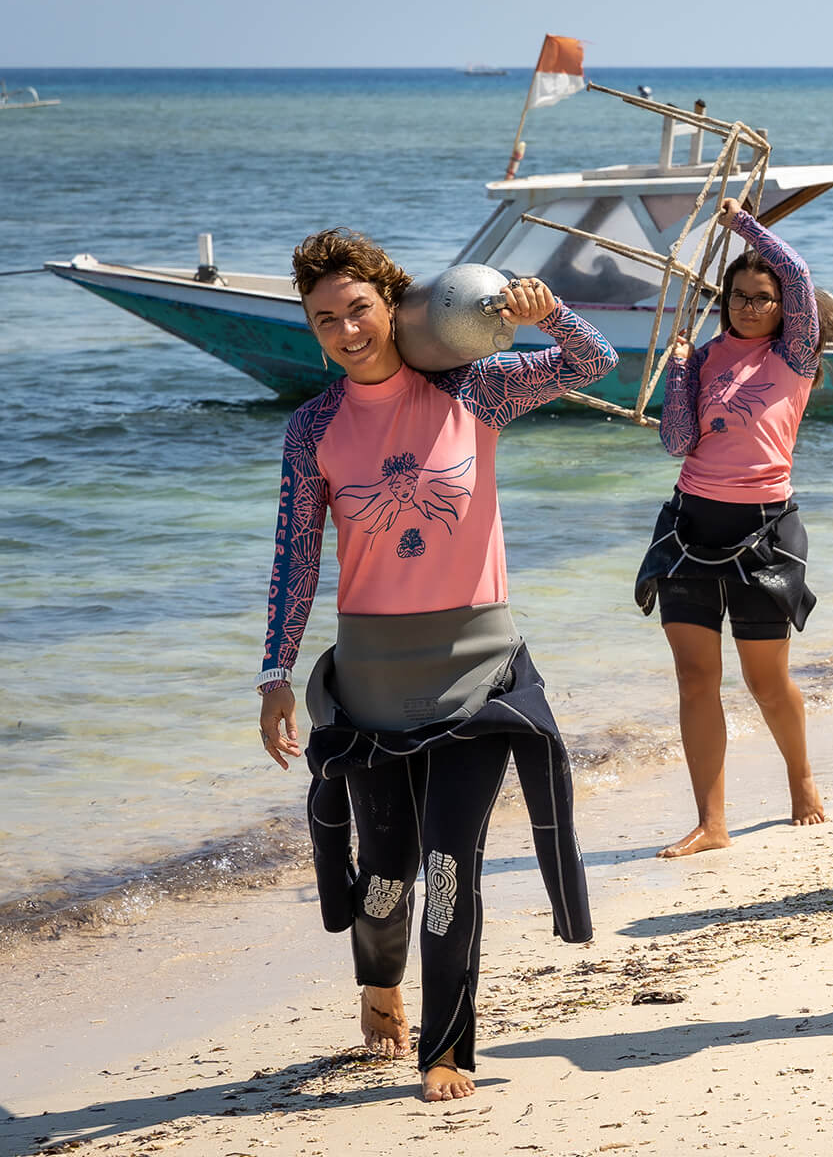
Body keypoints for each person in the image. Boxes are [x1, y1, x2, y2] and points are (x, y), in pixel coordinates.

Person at [256, 228, 616, 1102]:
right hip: (375, 677)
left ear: (395, 306)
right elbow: (295, 556)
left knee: (452, 864)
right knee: (385, 877)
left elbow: (594, 360)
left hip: (479, 667)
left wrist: (546, 308)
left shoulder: (475, 389)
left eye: (360, 310)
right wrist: (275, 674)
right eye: (325, 319)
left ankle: (446, 1049)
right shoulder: (314, 428)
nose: (346, 331)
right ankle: (380, 988)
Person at [633, 197, 828, 858]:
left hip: (765, 530)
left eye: (763, 298)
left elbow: (797, 273)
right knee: (694, 678)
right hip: (689, 525)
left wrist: (743, 224)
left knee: (764, 679)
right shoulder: (706, 354)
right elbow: (677, 442)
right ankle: (711, 823)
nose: (752, 306)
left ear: (781, 306)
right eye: (741, 296)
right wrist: (681, 371)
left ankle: (801, 779)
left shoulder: (796, 354)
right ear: (726, 301)